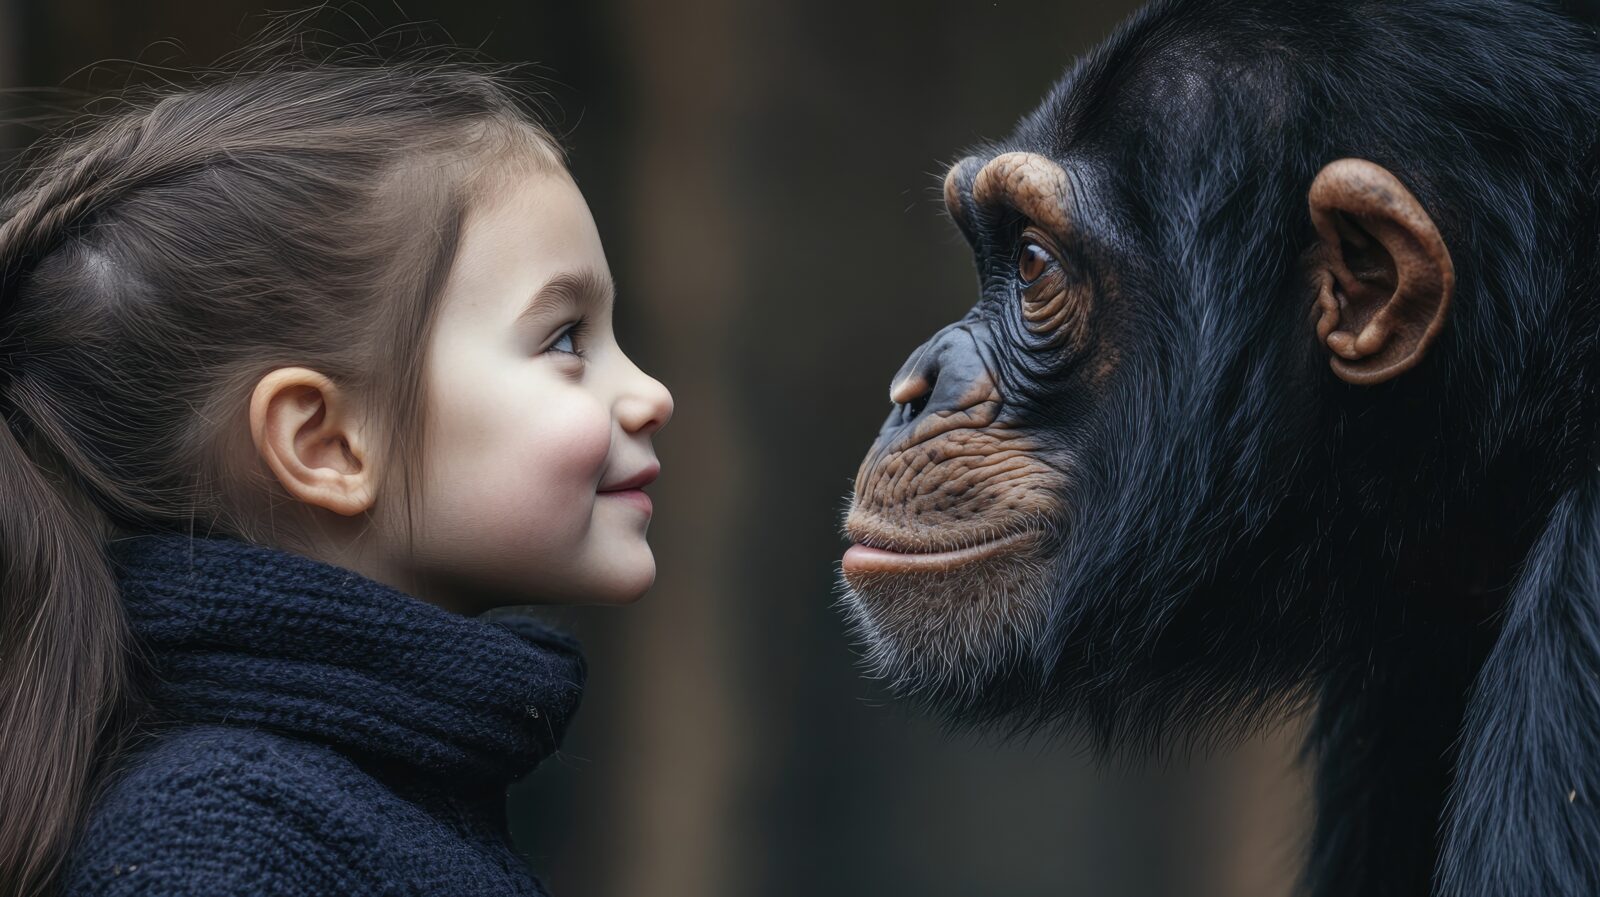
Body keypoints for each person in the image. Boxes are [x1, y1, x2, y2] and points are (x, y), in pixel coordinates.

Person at [0, 26, 673, 897]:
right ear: (325, 443)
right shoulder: (219, 845)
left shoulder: (381, 793)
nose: (649, 393)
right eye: (566, 338)